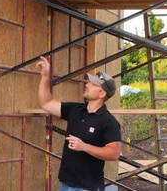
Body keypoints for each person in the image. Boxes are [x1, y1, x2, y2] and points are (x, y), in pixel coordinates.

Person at [36, 56, 122, 191]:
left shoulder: (108, 121)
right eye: (89, 82)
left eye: (93, 84)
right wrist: (46, 77)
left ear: (101, 94)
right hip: (66, 183)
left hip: (88, 187)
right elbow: (46, 103)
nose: (87, 84)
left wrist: (84, 147)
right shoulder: (75, 110)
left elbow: (114, 153)